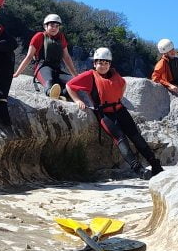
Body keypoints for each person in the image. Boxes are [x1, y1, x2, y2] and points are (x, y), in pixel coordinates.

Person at [66, 47, 163, 180]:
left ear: (110, 64)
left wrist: (117, 100)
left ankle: (155, 164)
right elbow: (70, 85)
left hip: (120, 110)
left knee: (136, 136)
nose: (103, 66)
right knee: (121, 139)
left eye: (106, 63)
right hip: (105, 114)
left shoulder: (115, 75)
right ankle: (138, 169)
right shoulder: (89, 76)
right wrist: (77, 100)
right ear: (95, 64)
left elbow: (122, 85)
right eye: (100, 63)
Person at [13, 13, 78, 100]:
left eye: (57, 26)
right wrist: (17, 73)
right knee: (49, 81)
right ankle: (50, 92)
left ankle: (62, 94)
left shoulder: (61, 37)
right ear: (45, 26)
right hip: (42, 67)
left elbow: (66, 57)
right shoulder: (39, 36)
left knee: (76, 83)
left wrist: (75, 75)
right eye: (51, 25)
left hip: (57, 69)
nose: (54, 28)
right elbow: (29, 57)